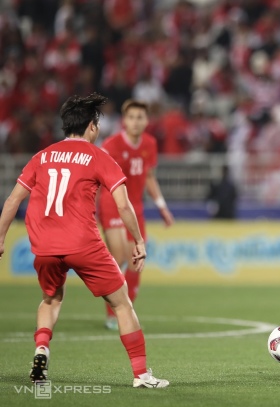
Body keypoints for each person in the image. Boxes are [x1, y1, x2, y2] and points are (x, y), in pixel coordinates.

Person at [0, 93, 169, 388]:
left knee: (51, 298)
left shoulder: (42, 156)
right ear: (92, 126)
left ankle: (42, 348)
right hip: (83, 244)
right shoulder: (99, 156)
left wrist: (1, 239)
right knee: (122, 304)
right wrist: (138, 239)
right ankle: (142, 375)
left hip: (44, 246)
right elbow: (123, 205)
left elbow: (13, 201)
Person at [97, 99, 174, 330]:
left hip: (136, 208)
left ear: (146, 121)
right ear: (124, 120)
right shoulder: (111, 145)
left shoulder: (149, 143)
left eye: (140, 117)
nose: (135, 122)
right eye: (131, 117)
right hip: (111, 204)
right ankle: (113, 314)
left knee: (136, 261)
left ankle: (127, 307)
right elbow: (98, 179)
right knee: (119, 256)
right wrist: (90, 208)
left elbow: (149, 177)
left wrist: (162, 206)